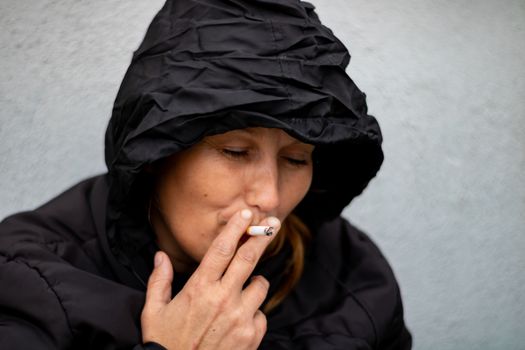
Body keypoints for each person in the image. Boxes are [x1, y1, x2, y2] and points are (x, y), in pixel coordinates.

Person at [0, 0, 412, 349]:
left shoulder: (354, 273)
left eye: (296, 159)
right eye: (235, 151)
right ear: (157, 153)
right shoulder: (28, 283)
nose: (269, 198)